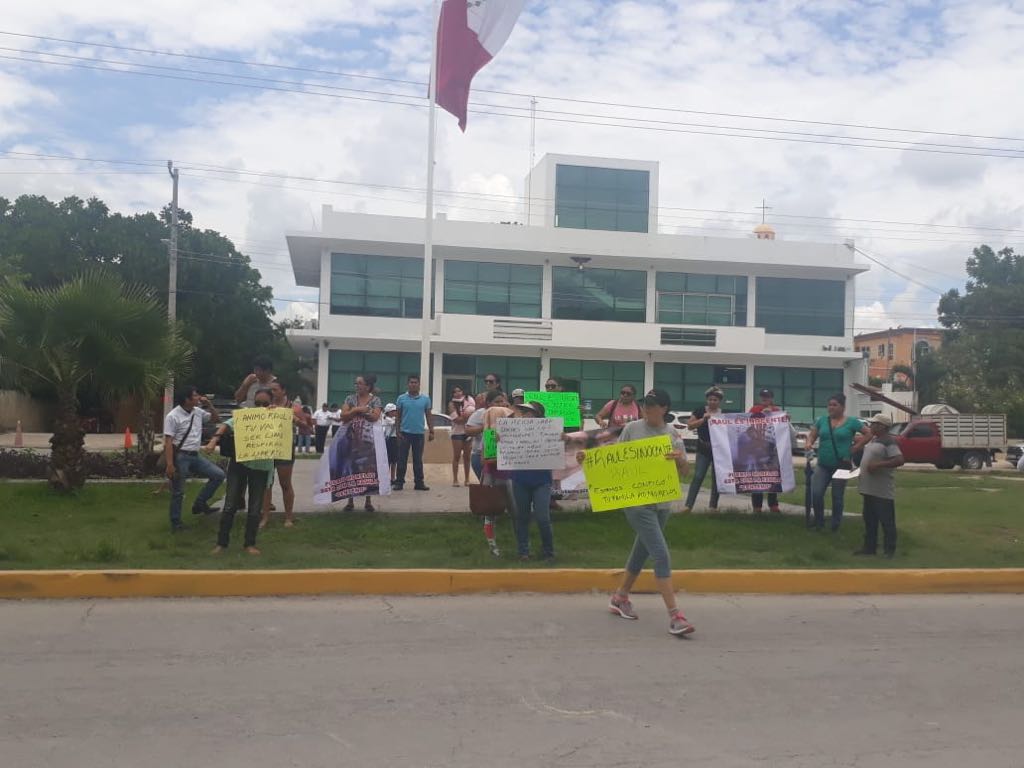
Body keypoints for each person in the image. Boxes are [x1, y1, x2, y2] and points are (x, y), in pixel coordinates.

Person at [579, 388, 694, 637]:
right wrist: (588, 460)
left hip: (662, 504)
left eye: (652, 405)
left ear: (664, 408)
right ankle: (675, 616)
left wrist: (679, 459)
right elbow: (614, 459)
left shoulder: (672, 433)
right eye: (645, 404)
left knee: (641, 553)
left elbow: (685, 472)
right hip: (637, 503)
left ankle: (620, 597)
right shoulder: (632, 429)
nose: (646, 408)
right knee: (661, 555)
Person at [205, 387, 274, 555]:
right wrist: (214, 440)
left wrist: (278, 414)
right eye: (257, 403)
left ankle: (250, 544)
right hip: (239, 463)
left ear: (271, 403)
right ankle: (221, 543)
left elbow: (293, 424)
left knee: (255, 508)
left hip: (261, 466)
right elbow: (226, 425)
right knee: (230, 505)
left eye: (265, 404)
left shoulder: (276, 417)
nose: (260, 407)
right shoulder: (246, 415)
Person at [805, 392, 871, 532]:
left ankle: (835, 524)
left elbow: (869, 433)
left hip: (842, 465)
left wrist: (856, 447)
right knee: (816, 493)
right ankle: (819, 522)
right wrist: (809, 443)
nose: (831, 407)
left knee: (837, 496)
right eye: (829, 405)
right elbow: (812, 435)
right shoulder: (822, 421)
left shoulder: (852, 422)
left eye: (834, 405)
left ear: (843, 407)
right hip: (823, 464)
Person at [163, 385, 224, 532]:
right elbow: (168, 442)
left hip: (195, 455)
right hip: (181, 456)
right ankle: (176, 523)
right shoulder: (173, 416)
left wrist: (209, 405)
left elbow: (216, 419)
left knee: (218, 475)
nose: (198, 397)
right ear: (187, 399)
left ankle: (200, 503)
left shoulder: (197, 411)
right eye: (195, 395)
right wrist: (170, 464)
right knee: (178, 491)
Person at [507, 400, 555, 561]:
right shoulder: (515, 430)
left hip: (542, 480)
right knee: (522, 517)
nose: (524, 415)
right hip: (520, 478)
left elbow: (565, 445)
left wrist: (560, 438)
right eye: (523, 412)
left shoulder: (550, 431)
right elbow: (503, 446)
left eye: (528, 412)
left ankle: (548, 552)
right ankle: (523, 552)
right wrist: (501, 439)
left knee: (543, 517)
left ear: (538, 415)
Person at [854, 413, 905, 558]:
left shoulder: (889, 441)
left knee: (886, 521)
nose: (871, 426)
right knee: (869, 520)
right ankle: (869, 547)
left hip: (881, 490)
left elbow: (899, 460)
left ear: (882, 426)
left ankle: (889, 550)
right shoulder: (874, 440)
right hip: (869, 488)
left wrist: (878, 465)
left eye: (874, 424)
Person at [340, 374, 383, 512]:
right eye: (356, 383)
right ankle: (350, 500)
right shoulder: (350, 399)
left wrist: (353, 413)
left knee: (368, 469)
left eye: (359, 383)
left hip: (368, 441)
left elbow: (375, 417)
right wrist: (358, 410)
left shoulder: (376, 400)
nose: (356, 386)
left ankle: (368, 500)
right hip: (351, 439)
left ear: (367, 386)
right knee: (350, 468)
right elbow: (343, 415)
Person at [261, 380, 300, 529]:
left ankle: (288, 517)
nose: (272, 392)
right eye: (270, 390)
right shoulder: (265, 404)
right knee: (266, 484)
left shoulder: (293, 407)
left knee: (285, 483)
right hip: (268, 447)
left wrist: (291, 417)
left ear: (283, 391)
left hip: (285, 448)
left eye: (275, 390)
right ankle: (265, 517)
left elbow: (305, 424)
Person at [683, 386, 724, 513]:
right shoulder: (700, 411)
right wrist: (703, 419)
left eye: (715, 400)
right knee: (698, 476)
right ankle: (688, 506)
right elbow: (690, 426)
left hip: (718, 450)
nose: (712, 402)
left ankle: (713, 506)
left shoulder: (723, 413)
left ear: (719, 401)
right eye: (710, 399)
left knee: (717, 478)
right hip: (703, 447)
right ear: (707, 400)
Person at [393, 374, 434, 491]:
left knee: (418, 459)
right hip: (404, 433)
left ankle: (419, 483)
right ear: (408, 384)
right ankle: (399, 482)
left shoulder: (425, 399)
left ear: (419, 384)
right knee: (402, 459)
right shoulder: (401, 398)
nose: (413, 384)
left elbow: (429, 415)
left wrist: (432, 430)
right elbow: (398, 416)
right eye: (411, 382)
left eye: (415, 382)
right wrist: (397, 431)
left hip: (419, 434)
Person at [749, 388, 782, 513]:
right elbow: (747, 424)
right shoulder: (754, 409)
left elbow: (782, 428)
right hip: (757, 447)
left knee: (772, 475)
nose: (764, 398)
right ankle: (757, 506)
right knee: (757, 476)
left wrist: (784, 418)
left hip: (772, 448)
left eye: (767, 396)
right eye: (763, 396)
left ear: (771, 398)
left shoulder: (777, 411)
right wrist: (762, 414)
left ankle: (773, 504)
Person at [448, 385, 476, 486]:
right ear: (452, 394)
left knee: (467, 457)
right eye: (455, 392)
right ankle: (455, 479)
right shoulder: (451, 404)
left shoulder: (469, 400)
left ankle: (467, 479)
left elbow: (474, 412)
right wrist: (468, 417)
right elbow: (457, 420)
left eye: (459, 391)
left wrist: (467, 416)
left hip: (468, 432)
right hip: (457, 433)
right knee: (456, 456)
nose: (458, 393)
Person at [382, 403, 399, 483]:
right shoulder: (386, 419)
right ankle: (386, 478)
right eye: (393, 411)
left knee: (394, 461)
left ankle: (392, 478)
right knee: (388, 460)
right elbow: (395, 423)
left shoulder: (393, 418)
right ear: (388, 412)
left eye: (395, 411)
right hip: (389, 440)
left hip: (395, 440)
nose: (395, 412)